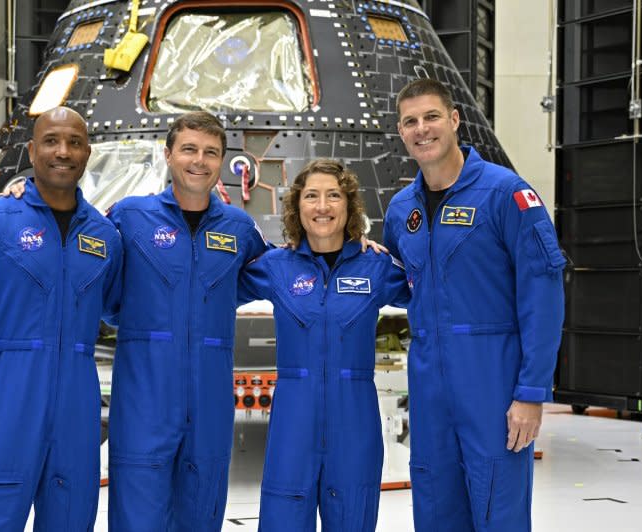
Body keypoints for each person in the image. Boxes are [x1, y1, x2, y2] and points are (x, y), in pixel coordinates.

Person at [382, 78, 565, 531]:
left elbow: (542, 295)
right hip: (428, 383)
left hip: (493, 379)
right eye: (410, 122)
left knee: (497, 501)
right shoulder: (402, 209)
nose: (422, 129)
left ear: (455, 120)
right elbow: (401, 282)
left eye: (431, 117)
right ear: (401, 133)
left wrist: (531, 392)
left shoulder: (507, 194)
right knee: (435, 498)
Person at [0, 106, 123, 531]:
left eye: (74, 142)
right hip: (7, 396)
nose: (63, 151)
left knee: (72, 517)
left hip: (78, 399)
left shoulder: (105, 236)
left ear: (87, 152)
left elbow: (120, 308)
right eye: (52, 141)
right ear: (33, 150)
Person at [106, 111, 271, 531]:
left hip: (210, 399)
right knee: (138, 515)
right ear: (168, 154)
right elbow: (89, 269)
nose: (199, 160)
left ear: (222, 162)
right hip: (145, 396)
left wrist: (351, 242)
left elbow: (278, 271)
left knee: (201, 511)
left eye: (211, 152)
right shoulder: (129, 217)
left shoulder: (238, 226)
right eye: (189, 150)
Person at [238, 159, 410, 531]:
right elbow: (217, 283)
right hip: (292, 418)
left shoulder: (375, 266)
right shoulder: (275, 265)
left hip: (356, 417)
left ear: (348, 207)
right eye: (312, 196)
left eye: (334, 196)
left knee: (353, 516)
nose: (322, 206)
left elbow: (428, 288)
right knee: (284, 517)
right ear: (297, 207)